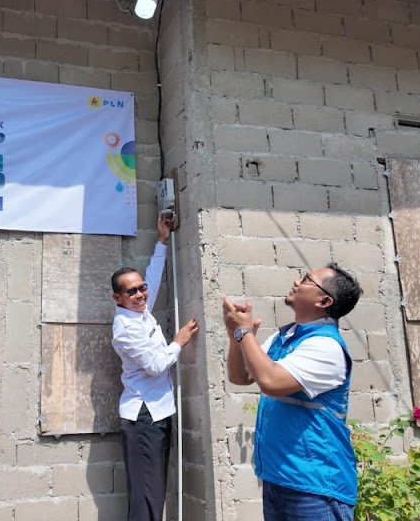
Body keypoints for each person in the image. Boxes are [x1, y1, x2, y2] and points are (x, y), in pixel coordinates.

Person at [225, 264, 363, 521]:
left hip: (315, 487)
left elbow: (270, 381)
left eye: (307, 279)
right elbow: (240, 377)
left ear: (324, 301)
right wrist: (237, 337)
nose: (297, 281)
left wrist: (245, 333)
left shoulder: (326, 346)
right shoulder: (284, 338)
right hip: (279, 479)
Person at [111, 214, 199, 521]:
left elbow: (154, 277)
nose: (140, 294)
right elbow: (154, 365)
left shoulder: (140, 312)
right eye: (131, 291)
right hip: (143, 417)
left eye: (141, 289)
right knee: (146, 498)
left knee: (153, 493)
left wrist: (162, 240)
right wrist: (179, 341)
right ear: (117, 297)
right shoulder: (125, 328)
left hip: (157, 413)